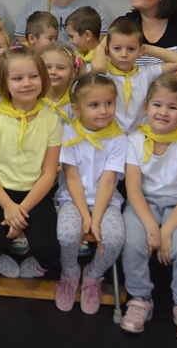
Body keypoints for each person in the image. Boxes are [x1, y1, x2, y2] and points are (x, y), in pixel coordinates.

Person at [121, 75, 177, 342]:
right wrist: (150, 227)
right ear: (146, 107)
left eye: (172, 107)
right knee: (132, 243)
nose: (163, 112)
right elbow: (133, 190)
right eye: (157, 105)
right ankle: (140, 298)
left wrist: (166, 231)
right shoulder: (135, 140)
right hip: (143, 203)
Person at [0, 46, 62, 280]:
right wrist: (9, 206)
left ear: (43, 78)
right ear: (5, 83)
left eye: (33, 76)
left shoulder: (52, 121)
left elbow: (48, 174)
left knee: (50, 251)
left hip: (36, 194)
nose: (27, 83)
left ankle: (38, 265)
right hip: (0, 192)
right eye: (17, 78)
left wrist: (21, 211)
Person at [55, 73, 126, 315]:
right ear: (76, 109)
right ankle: (69, 273)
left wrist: (95, 220)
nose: (104, 111)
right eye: (94, 105)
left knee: (114, 239)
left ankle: (93, 275)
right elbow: (72, 177)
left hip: (106, 201)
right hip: (72, 199)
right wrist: (85, 215)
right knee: (67, 235)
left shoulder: (118, 137)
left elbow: (108, 180)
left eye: (109, 103)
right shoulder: (68, 132)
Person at [91, 18, 177, 134]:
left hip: (139, 137)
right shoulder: (105, 74)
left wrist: (146, 49)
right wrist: (101, 46)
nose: (124, 54)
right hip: (110, 137)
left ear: (140, 51)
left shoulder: (146, 73)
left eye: (131, 49)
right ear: (107, 51)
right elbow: (98, 68)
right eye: (117, 48)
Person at [42, 43, 81, 124]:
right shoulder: (36, 97)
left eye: (60, 68)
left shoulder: (76, 100)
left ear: (73, 73)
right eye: (48, 67)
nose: (53, 72)